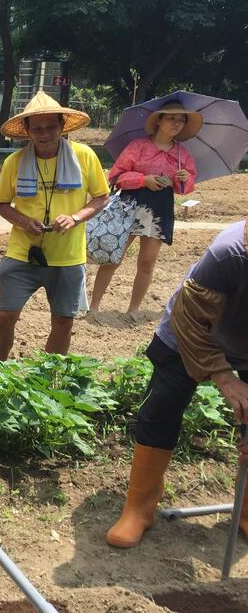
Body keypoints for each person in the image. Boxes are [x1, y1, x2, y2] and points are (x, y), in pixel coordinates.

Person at [106, 220, 248, 548]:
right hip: (190, 332)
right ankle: (139, 509)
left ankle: (246, 511)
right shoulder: (230, 254)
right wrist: (225, 379)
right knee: (162, 407)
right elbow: (191, 319)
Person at [0, 92, 109, 361]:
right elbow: (1, 205)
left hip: (67, 256)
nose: (45, 134)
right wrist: (23, 221)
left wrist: (75, 218)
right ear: (27, 131)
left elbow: (102, 197)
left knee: (63, 321)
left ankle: (47, 375)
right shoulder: (15, 162)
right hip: (23, 253)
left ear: (62, 126)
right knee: (7, 315)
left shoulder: (84, 156)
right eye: (38, 128)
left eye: (51, 127)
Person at [89, 101, 199, 313]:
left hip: (159, 210)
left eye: (181, 119)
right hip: (130, 205)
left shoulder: (182, 155)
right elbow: (116, 176)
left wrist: (185, 178)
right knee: (115, 256)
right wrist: (143, 179)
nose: (177, 123)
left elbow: (184, 189)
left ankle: (133, 311)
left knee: (147, 262)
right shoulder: (138, 146)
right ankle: (94, 307)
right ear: (159, 120)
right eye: (171, 118)